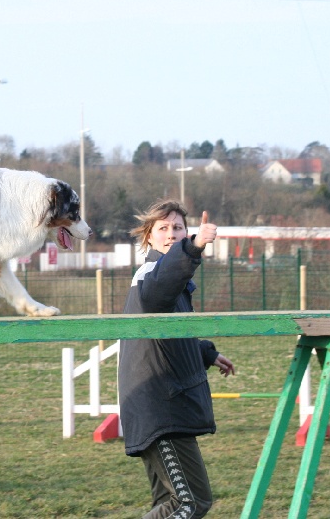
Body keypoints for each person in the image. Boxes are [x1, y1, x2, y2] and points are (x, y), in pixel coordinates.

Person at [119, 199, 235, 519]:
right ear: (149, 237)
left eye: (178, 228)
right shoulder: (151, 274)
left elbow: (165, 338)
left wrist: (206, 353)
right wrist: (195, 248)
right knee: (190, 503)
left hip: (161, 404)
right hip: (160, 409)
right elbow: (159, 294)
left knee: (167, 505)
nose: (171, 234)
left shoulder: (170, 279)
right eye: (163, 228)